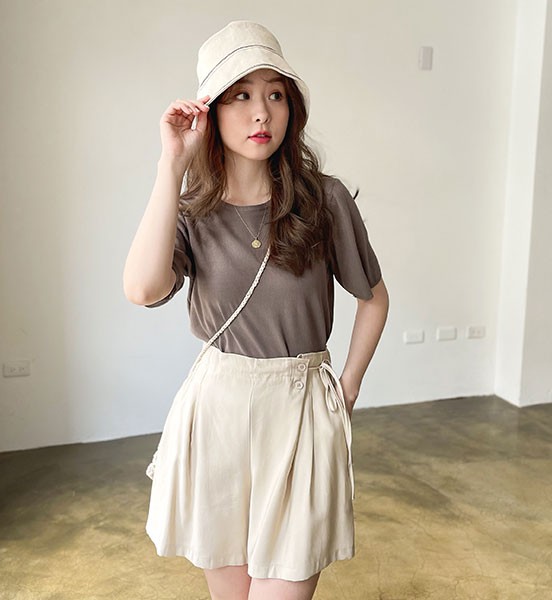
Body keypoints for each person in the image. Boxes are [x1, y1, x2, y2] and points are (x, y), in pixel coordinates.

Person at [123, 20, 389, 600]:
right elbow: (142, 288)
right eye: (240, 96)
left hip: (300, 411)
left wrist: (346, 389)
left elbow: (373, 298)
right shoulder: (192, 212)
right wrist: (171, 165)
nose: (261, 112)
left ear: (292, 108)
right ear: (210, 111)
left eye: (275, 94)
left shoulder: (324, 200)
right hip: (217, 411)